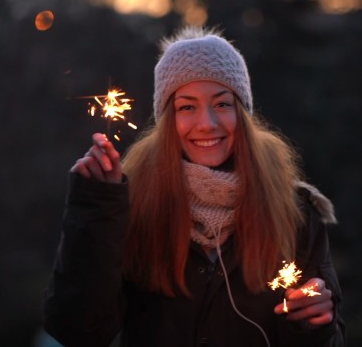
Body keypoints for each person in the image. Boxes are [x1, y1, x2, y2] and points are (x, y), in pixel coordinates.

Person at [44, 26, 346, 347]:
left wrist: (313, 324)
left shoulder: (293, 212)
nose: (207, 123)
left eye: (222, 104)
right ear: (167, 121)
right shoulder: (132, 205)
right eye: (187, 107)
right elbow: (79, 331)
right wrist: (95, 208)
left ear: (242, 112)